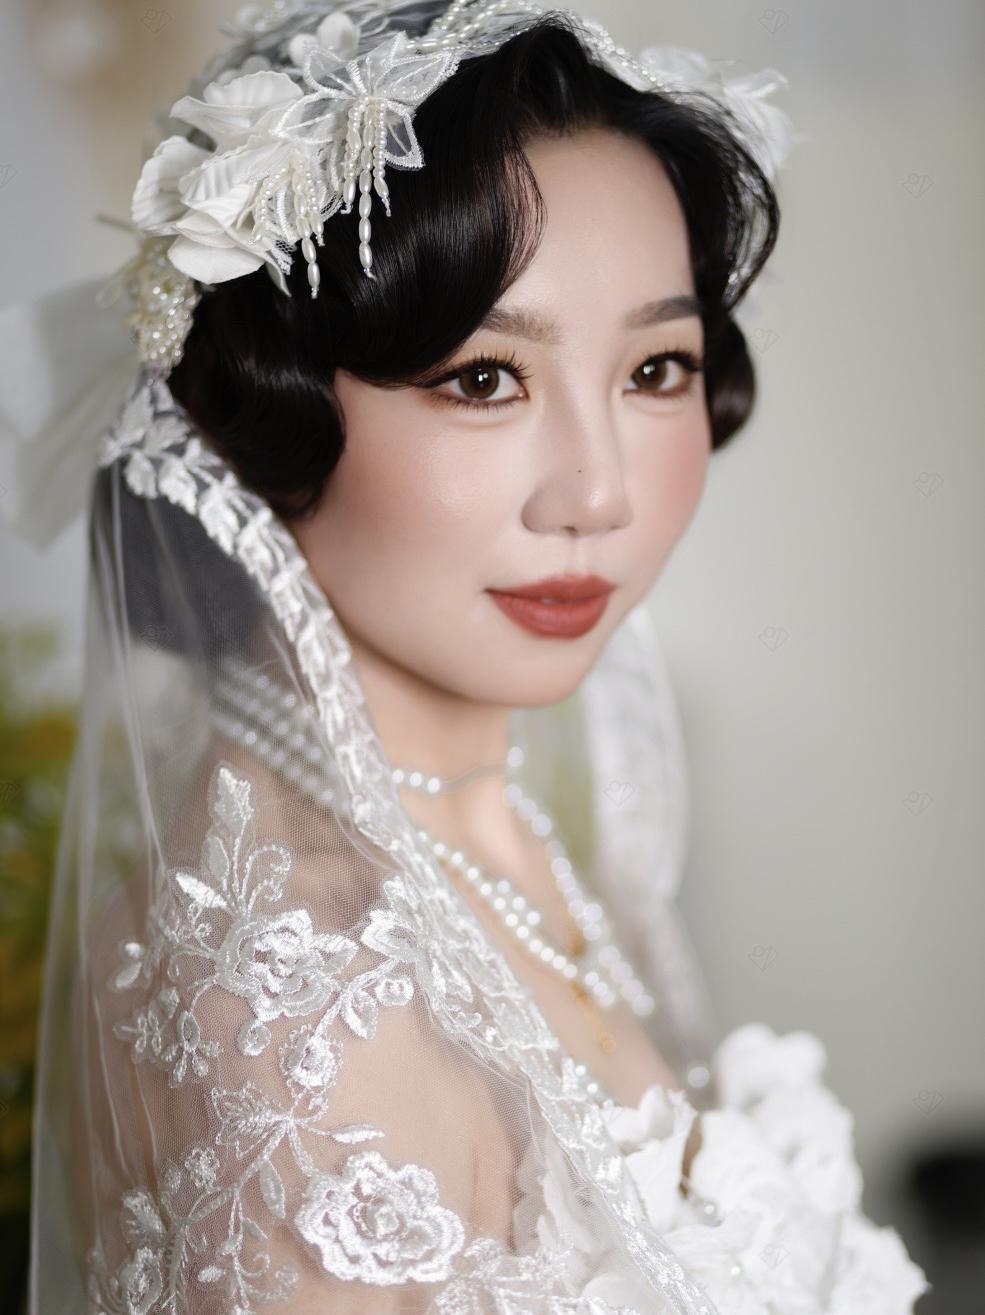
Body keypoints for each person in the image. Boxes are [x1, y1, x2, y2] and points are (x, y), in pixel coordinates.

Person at [0, 1, 930, 1311]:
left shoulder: (468, 835)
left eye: (655, 369)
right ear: (264, 407)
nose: (599, 494)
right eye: (484, 379)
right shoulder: (307, 995)